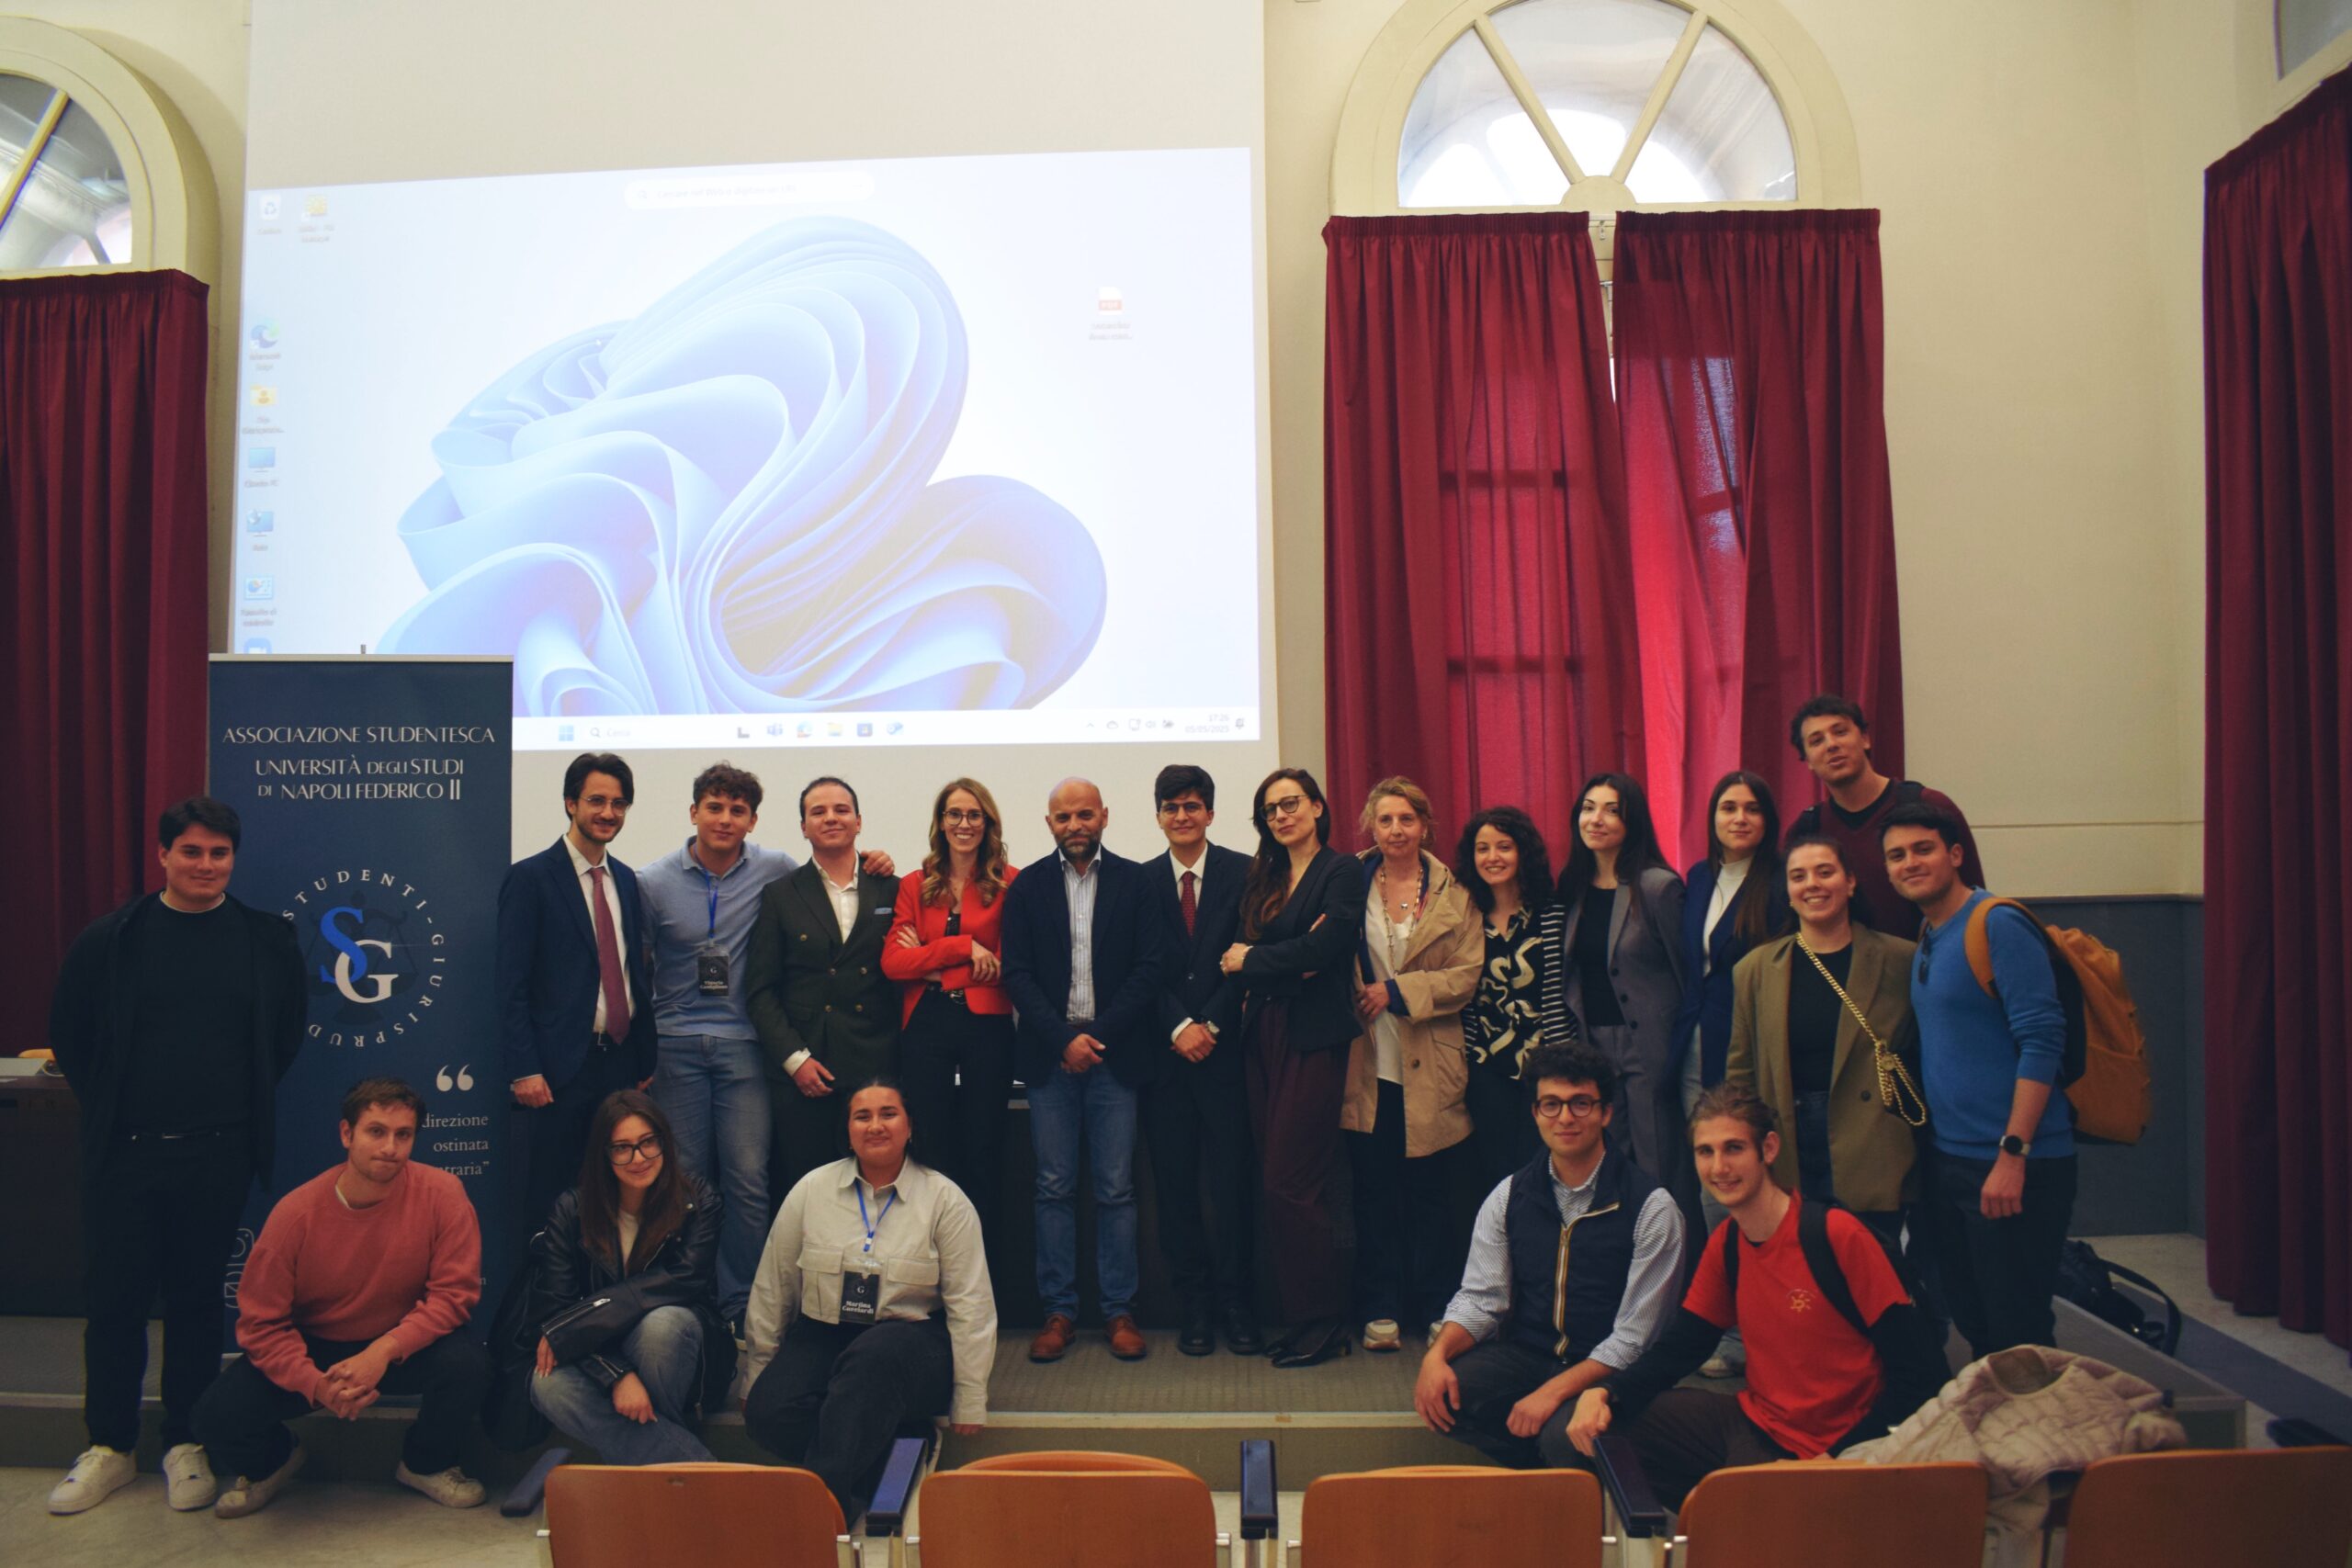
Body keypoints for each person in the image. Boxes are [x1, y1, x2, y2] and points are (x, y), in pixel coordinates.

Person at [46, 796, 305, 1517]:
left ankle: (185, 1441)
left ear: (233, 858)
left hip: (217, 1156)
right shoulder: (111, 939)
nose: (205, 864)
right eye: (191, 851)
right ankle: (109, 1444)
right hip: (124, 1156)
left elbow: (282, 1037)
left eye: (219, 853)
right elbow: (70, 1032)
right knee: (115, 1303)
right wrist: (116, 1108)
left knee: (195, 1303)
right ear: (162, 855)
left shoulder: (265, 941)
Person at [1562, 1087, 1946, 1508]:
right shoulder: (1729, 1241)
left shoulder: (1836, 1236)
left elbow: (1920, 1377)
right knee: (1605, 1427)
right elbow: (1683, 1345)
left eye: (1734, 1148)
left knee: (1740, 1514)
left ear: (1769, 1148)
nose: (1719, 1167)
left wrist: (1834, 1458)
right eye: (1705, 1152)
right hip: (1759, 1423)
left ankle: (1774, 1518)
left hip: (1837, 1445)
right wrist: (1607, 1392)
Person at [192, 1078, 491, 1517]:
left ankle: (425, 1464)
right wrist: (316, 1384)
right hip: (317, 1351)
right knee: (213, 1417)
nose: (390, 1148)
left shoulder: (443, 1193)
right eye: (376, 1131)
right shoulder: (296, 1214)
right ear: (346, 1134)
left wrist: (381, 1352)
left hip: (397, 1346)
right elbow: (261, 1325)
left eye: (403, 1135)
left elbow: (454, 1295)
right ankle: (275, 1460)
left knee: (469, 1365)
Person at [1414, 1043, 1684, 1470]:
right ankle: (1543, 1479)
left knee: (1564, 1438)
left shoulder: (1652, 1207)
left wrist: (1551, 1394)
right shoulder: (1509, 1195)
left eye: (1581, 1103)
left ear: (1606, 1113)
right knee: (1449, 1393)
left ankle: (1564, 1481)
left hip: (1605, 1371)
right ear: (1535, 1113)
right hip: (1530, 1354)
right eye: (1551, 1105)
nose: (1565, 1118)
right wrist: (1437, 1355)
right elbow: (1482, 1299)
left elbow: (1635, 1340)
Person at [742, 1080, 995, 1522]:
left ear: (910, 1127)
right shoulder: (811, 1190)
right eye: (862, 1116)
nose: (875, 1125)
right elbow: (774, 1286)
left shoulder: (945, 1201)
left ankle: (822, 1518)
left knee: (873, 1358)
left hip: (912, 1343)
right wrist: (757, 1370)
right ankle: (902, 1450)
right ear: (848, 1131)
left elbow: (971, 1304)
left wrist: (970, 1397)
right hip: (824, 1333)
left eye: (888, 1114)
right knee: (769, 1413)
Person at [1884, 801, 2075, 1357]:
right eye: (1897, 855)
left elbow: (2042, 1040)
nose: (1910, 862)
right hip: (1951, 1161)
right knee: (1975, 1319)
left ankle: (2037, 1415)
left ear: (1955, 854)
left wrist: (2013, 1154)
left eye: (1923, 849)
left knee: (2018, 1330)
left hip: (2014, 1161)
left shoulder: (1997, 924)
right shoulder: (1929, 931)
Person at [1001, 777, 1163, 1362]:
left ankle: (1119, 1311)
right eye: (1064, 816)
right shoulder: (1027, 887)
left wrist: (1097, 1037)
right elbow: (1017, 974)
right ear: (1050, 823)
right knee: (1054, 1188)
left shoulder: (1135, 882)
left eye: (1085, 814)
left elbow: (1149, 968)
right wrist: (1063, 1040)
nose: (1075, 825)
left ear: (1104, 817)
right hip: (1051, 1061)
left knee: (1117, 1189)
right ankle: (1060, 1312)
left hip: (1115, 1058)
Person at [1219, 767, 1370, 1369]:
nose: (1281, 816)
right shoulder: (1266, 875)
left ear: (1317, 806)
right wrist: (1283, 959)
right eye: (1270, 810)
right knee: (1276, 1179)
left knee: (1292, 1179)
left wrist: (1260, 959)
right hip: (1261, 1033)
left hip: (1312, 1036)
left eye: (1290, 804)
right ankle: (1303, 1317)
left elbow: (1325, 949)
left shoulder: (1342, 871)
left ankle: (1326, 1320)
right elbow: (1241, 954)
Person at [1724, 834, 1921, 1255]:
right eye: (1798, 877)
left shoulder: (1901, 959)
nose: (1812, 884)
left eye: (1825, 872)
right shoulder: (1754, 970)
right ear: (1787, 893)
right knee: (1804, 1271)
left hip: (1871, 1143)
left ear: (1850, 882)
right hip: (1789, 1142)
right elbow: (1741, 1072)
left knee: (1873, 1270)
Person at [1344, 777, 1483, 1352]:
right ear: (1370, 827)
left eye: (1406, 819)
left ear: (1425, 825)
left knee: (1432, 1196)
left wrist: (1396, 991)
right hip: (1366, 1061)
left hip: (1432, 1060)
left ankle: (1435, 1305)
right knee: (1373, 1192)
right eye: (1385, 820)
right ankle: (1380, 1306)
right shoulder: (1348, 881)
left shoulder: (1457, 893)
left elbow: (1465, 976)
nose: (1396, 830)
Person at [527, 1090, 734, 1465]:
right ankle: (691, 1470)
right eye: (622, 1148)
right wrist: (617, 1374)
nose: (638, 1158)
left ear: (664, 1142)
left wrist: (595, 1312)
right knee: (547, 1385)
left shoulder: (698, 1199)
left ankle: (649, 1467)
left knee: (662, 1324)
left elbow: (685, 1278)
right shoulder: (572, 1210)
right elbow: (558, 1311)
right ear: (603, 1154)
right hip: (598, 1353)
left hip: (679, 1351)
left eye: (648, 1143)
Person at [501, 752, 659, 1234]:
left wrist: (643, 1058)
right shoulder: (530, 878)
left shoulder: (627, 880)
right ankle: (546, 1286)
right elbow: (511, 983)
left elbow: (632, 972)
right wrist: (525, 1068)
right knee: (552, 1198)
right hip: (558, 1069)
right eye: (596, 801)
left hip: (621, 1064)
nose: (608, 813)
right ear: (571, 803)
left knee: (614, 1194)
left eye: (619, 804)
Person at [1669, 771, 1789, 1378]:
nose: (1739, 818)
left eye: (1751, 808)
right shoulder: (1697, 879)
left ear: (1768, 820)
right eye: (1727, 808)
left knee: (1754, 1189)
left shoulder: (1784, 883)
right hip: (1694, 1051)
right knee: (1710, 1192)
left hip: (1753, 1051)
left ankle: (1763, 1331)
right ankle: (1728, 1323)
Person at [1138, 763, 1261, 1356]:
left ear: (1210, 812)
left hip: (1227, 1056)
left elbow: (1254, 953)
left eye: (1192, 806)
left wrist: (1208, 1023)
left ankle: (1237, 1302)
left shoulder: (1246, 872)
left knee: (1233, 1186)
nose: (1182, 816)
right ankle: (1194, 1305)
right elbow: (1135, 968)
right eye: (1171, 807)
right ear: (1158, 816)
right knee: (1175, 1189)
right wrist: (1178, 1025)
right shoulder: (1139, 881)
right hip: (1165, 1061)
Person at [1540, 773, 1692, 1217]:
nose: (1597, 819)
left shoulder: (1658, 887)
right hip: (1593, 1048)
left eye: (1611, 810)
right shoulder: (1574, 887)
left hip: (1650, 1049)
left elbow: (1687, 979)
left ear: (1632, 821)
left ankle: (1673, 1256)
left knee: (1660, 1167)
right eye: (1588, 808)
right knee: (1610, 1167)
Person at [745, 776, 902, 1204]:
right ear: (803, 827)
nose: (831, 818)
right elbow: (760, 991)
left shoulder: (893, 887)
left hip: (876, 1065)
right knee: (807, 1192)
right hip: (805, 1070)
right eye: (818, 812)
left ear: (858, 822)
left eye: (841, 810)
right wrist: (795, 1061)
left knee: (877, 1190)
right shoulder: (780, 894)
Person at [881, 777, 1019, 1241]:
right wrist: (965, 948)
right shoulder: (914, 884)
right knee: (929, 1148)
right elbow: (893, 964)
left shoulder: (1011, 882)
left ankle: (982, 1267)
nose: (964, 823)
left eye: (974, 815)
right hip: (927, 1024)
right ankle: (929, 1263)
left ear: (988, 822)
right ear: (941, 822)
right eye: (955, 814)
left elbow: (1010, 966)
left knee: (984, 1149)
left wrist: (935, 966)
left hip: (988, 1026)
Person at [1785, 694, 1986, 941]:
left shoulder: (1931, 806)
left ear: (1865, 739)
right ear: (1807, 761)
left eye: (1840, 732)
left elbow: (1974, 898)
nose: (1831, 745)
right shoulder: (1807, 831)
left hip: (1936, 957)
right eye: (1817, 741)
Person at [1455, 805, 1558, 1184]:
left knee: (1545, 1168)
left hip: (1545, 1061)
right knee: (1496, 1172)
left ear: (1522, 851)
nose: (1492, 857)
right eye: (1483, 849)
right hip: (1485, 1064)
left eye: (1504, 847)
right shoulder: (1464, 917)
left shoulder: (1551, 913)